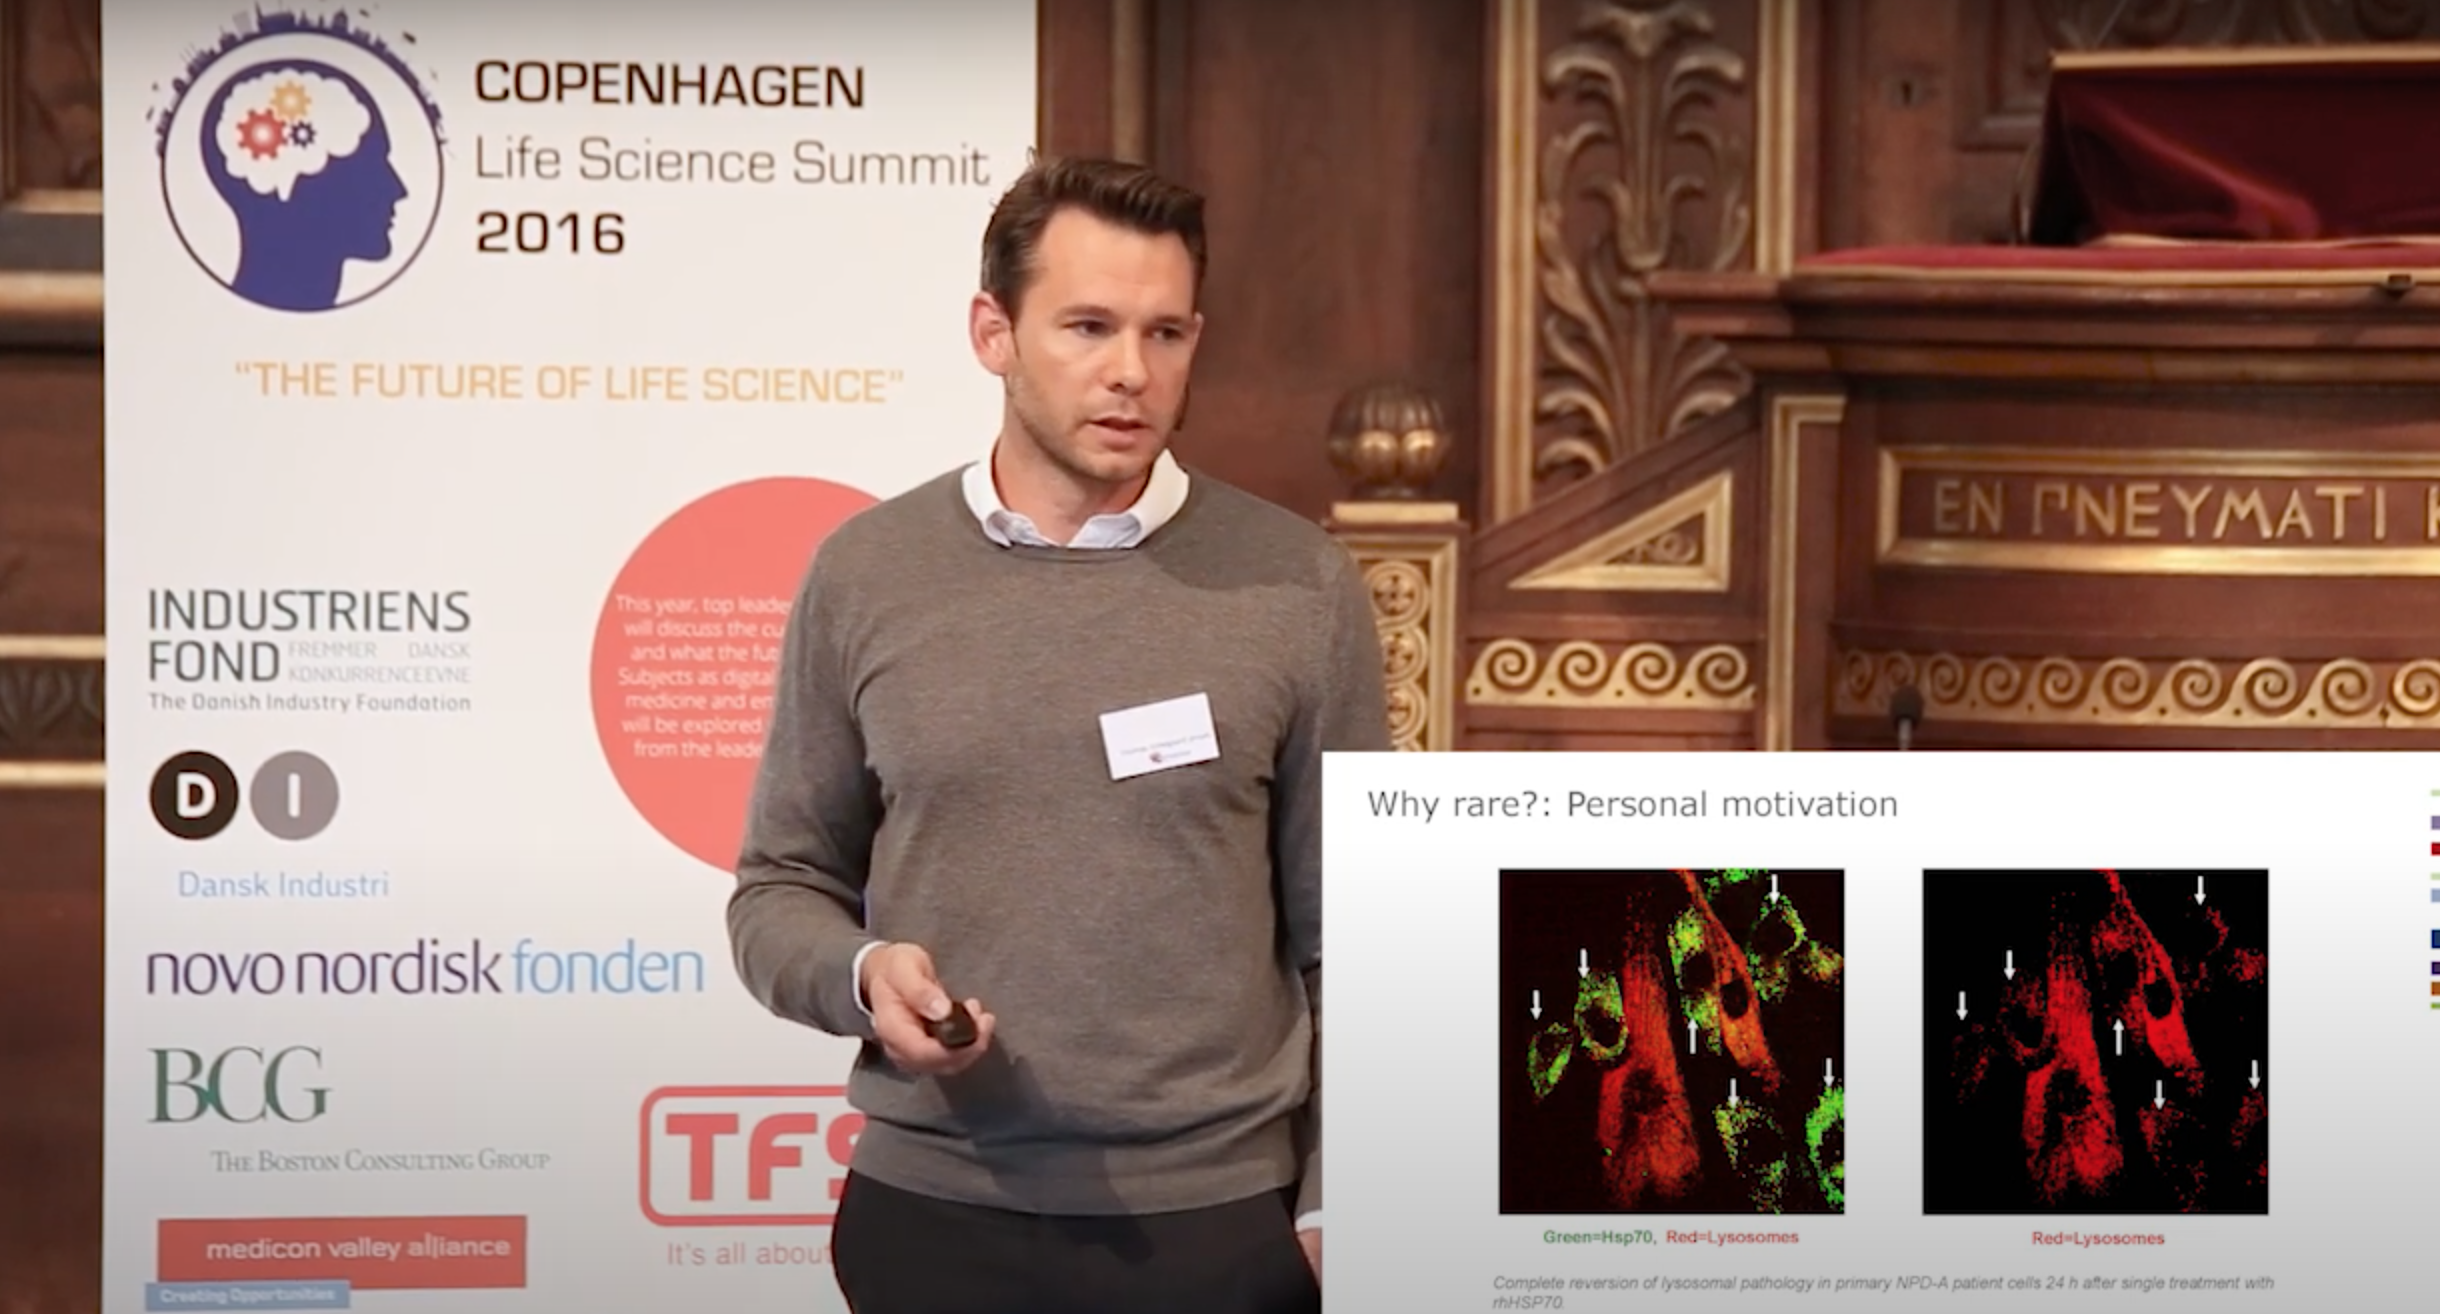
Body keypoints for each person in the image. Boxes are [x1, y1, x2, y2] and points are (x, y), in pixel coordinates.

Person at [727, 155, 1391, 1313]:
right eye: (1088, 327)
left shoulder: (1298, 585)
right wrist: (863, 975)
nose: (1131, 371)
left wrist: (1345, 1202)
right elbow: (779, 887)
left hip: (1220, 1227)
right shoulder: (866, 573)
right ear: (993, 333)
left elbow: (1358, 934)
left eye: (1164, 333)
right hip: (931, 1218)